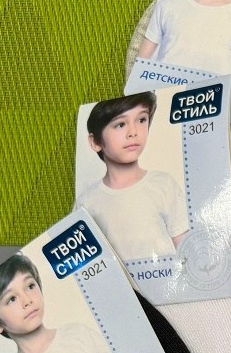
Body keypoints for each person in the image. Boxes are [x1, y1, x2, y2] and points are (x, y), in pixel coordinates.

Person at [77, 92, 189, 262]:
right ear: (95, 142)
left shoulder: (164, 184)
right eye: (120, 124)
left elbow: (185, 250)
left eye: (141, 120)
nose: (133, 132)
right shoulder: (87, 202)